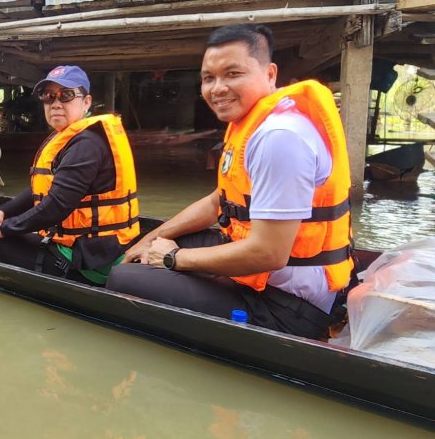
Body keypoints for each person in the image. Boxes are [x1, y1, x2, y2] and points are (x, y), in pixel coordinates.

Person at [106, 24, 354, 339]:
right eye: (209, 78)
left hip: (289, 308)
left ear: (270, 74)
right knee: (150, 246)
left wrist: (172, 258)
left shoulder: (279, 137)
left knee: (123, 278)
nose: (218, 88)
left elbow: (269, 254)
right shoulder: (251, 123)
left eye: (233, 74)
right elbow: (216, 202)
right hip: (272, 277)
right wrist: (150, 238)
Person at [0, 65, 140, 285]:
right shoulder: (70, 137)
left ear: (86, 102)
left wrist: (3, 229)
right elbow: (39, 191)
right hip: (88, 245)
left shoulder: (87, 144)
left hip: (92, 258)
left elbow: (56, 206)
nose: (56, 103)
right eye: (49, 97)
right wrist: (2, 213)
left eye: (66, 95)